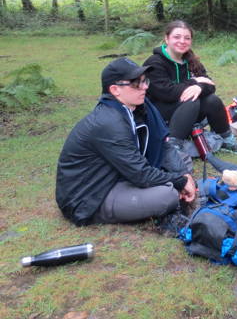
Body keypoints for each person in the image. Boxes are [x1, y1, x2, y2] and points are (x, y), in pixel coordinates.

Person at [56, 58, 196, 231]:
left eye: (145, 81)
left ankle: (170, 191)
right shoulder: (108, 122)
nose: (145, 87)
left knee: (183, 161)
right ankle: (165, 202)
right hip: (91, 196)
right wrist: (179, 181)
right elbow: (141, 175)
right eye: (136, 83)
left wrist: (183, 174)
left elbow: (162, 145)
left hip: (119, 175)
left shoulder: (138, 108)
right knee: (167, 195)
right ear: (115, 90)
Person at [143, 20, 237, 154]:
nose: (182, 41)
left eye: (187, 38)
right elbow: (166, 92)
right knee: (192, 100)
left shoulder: (190, 59)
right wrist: (194, 82)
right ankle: (173, 148)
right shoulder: (155, 62)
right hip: (159, 112)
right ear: (166, 38)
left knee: (212, 100)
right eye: (177, 37)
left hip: (186, 111)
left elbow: (210, 85)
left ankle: (226, 139)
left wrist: (199, 87)